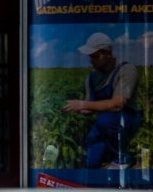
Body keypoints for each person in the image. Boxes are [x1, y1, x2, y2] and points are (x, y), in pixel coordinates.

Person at [60, 32, 140, 171]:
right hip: (105, 122)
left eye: (95, 56)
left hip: (127, 118)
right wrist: (75, 109)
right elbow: (89, 108)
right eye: (90, 56)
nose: (91, 60)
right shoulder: (92, 77)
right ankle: (109, 149)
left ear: (108, 53)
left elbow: (118, 104)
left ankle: (122, 159)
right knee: (90, 160)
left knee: (105, 120)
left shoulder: (126, 70)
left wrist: (83, 104)